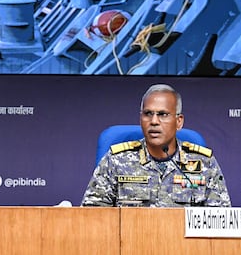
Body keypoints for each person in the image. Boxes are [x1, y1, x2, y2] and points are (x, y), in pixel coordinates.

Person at [81, 83, 230, 207]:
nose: (154, 121)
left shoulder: (205, 163)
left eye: (162, 114)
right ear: (141, 119)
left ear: (179, 122)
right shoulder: (115, 161)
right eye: (148, 114)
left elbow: (220, 222)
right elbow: (93, 217)